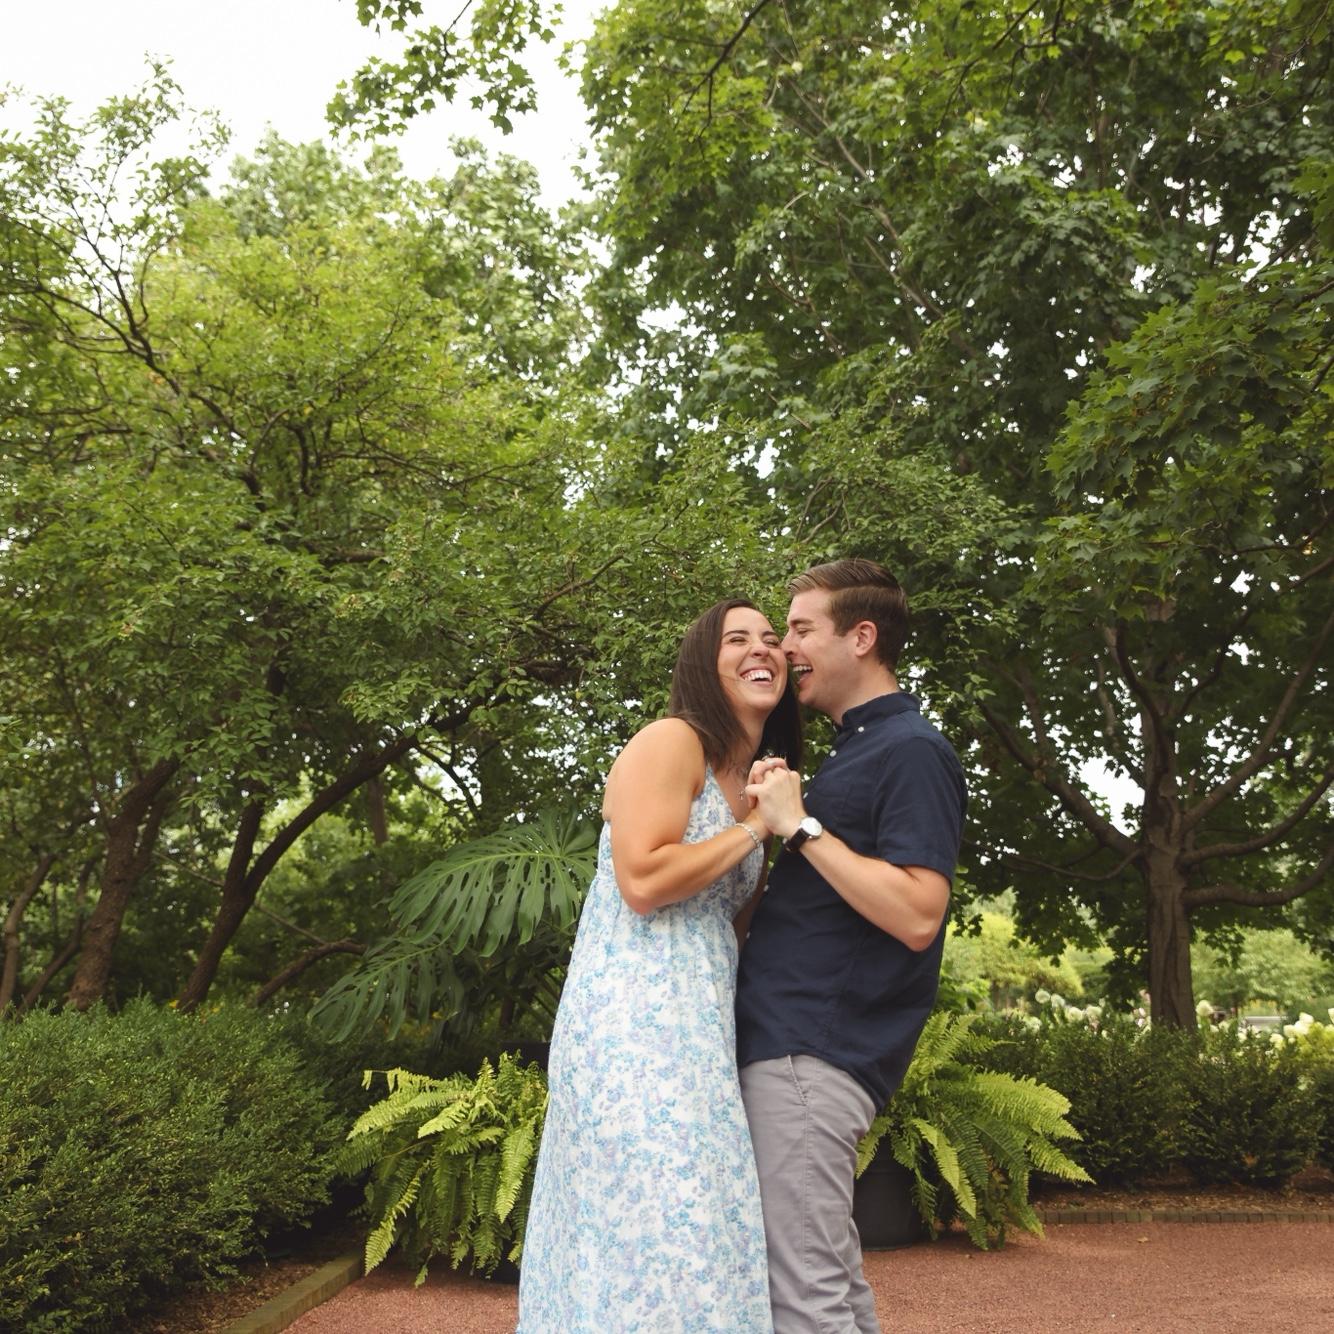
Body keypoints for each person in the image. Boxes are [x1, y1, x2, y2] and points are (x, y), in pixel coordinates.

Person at [517, 599, 802, 1333]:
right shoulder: (672, 740)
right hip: (629, 1020)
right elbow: (642, 881)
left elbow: (734, 926)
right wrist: (756, 826)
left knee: (707, 1217)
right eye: (737, 639)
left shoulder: (758, 783)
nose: (761, 648)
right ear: (704, 664)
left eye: (772, 638)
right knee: (650, 1221)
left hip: (700, 1025)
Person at [736, 559, 967, 1334]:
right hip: (798, 1049)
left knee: (803, 1298)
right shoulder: (855, 750)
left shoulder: (911, 750)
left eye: (802, 629)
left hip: (812, 1052)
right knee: (827, 1286)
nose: (786, 647)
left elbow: (918, 914)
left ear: (861, 637)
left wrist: (800, 827)